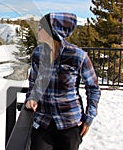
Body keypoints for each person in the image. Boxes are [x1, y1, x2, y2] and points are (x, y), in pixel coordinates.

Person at [25, 12, 101, 150]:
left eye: (41, 27)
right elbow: (33, 82)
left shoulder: (78, 56)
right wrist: (32, 98)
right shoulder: (37, 54)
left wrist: (88, 118)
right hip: (43, 121)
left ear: (53, 31)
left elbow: (93, 88)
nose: (38, 30)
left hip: (70, 123)